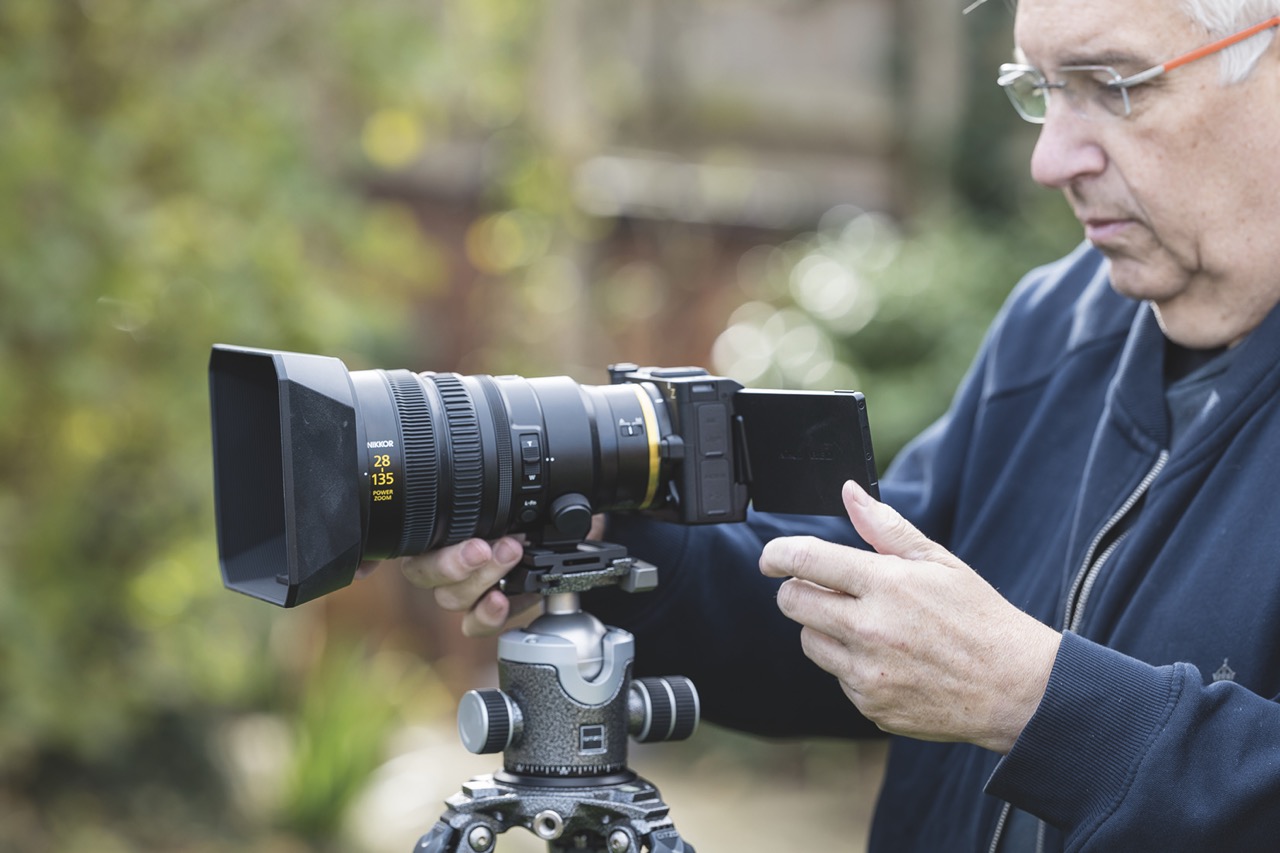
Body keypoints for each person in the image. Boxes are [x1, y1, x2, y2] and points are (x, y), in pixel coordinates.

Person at [381, 0, 1280, 849]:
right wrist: (603, 541)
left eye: (1115, 84)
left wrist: (1040, 703)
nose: (1051, 159)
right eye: (1042, 89)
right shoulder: (1059, 322)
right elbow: (862, 607)